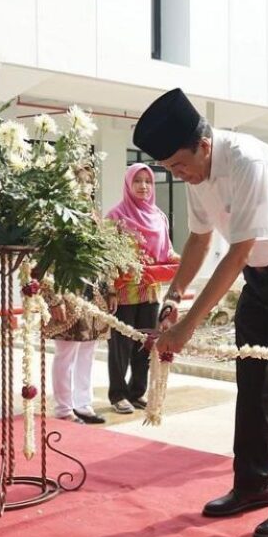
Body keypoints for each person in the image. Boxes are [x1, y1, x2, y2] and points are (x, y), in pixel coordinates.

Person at [137, 88, 268, 537]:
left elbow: (237, 252)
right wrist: (174, 296)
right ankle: (253, 484)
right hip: (261, 275)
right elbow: (200, 240)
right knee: (253, 378)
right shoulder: (196, 174)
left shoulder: (246, 162)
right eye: (168, 169)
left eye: (179, 165)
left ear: (204, 145)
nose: (177, 175)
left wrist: (186, 329)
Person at [106, 164, 179, 415]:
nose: (143, 186)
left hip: (150, 291)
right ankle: (118, 394)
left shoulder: (159, 217)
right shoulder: (115, 216)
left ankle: (137, 392)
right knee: (121, 345)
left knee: (146, 343)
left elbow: (166, 250)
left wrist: (182, 261)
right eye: (137, 181)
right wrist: (111, 289)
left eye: (148, 181)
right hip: (124, 292)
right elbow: (105, 257)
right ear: (128, 184)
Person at [43, 166, 113, 425]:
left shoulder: (93, 216)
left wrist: (110, 288)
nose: (84, 187)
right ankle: (63, 408)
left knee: (88, 350)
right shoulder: (55, 216)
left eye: (88, 182)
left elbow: (103, 255)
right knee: (66, 352)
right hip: (66, 291)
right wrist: (54, 298)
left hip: (93, 293)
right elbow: (45, 261)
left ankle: (83, 404)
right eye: (79, 182)